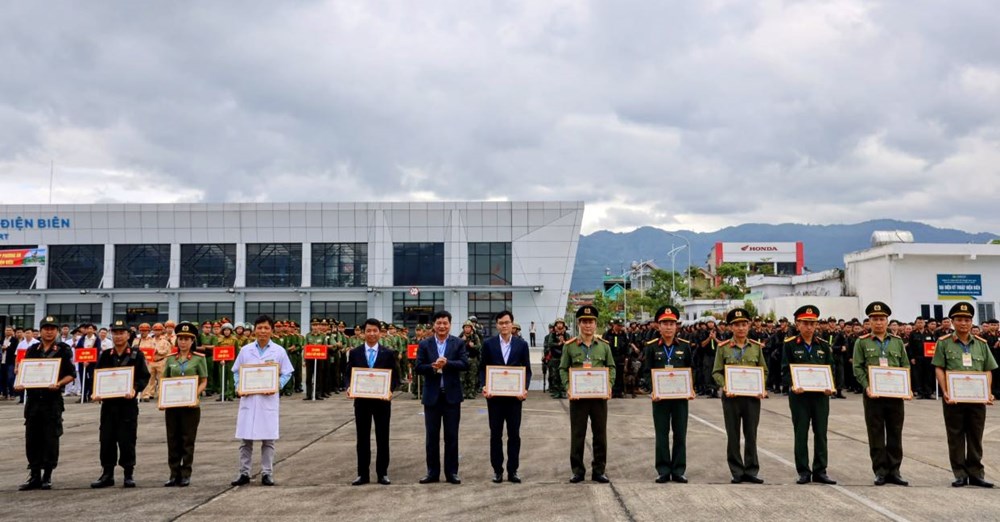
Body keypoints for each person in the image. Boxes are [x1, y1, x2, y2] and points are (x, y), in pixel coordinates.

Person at [933, 301, 998, 488]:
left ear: (971, 322)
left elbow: (988, 370)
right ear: (953, 322)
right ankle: (960, 473)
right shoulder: (944, 343)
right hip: (953, 398)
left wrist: (987, 391)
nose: (963, 323)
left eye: (967, 319)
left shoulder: (981, 344)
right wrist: (945, 391)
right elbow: (939, 368)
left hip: (977, 399)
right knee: (956, 436)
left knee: (975, 436)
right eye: (959, 319)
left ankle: (976, 473)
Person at [231, 315, 295, 487]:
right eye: (259, 328)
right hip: (249, 399)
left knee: (268, 440)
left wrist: (277, 385)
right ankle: (244, 473)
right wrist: (239, 386)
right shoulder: (245, 350)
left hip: (268, 399)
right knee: (246, 440)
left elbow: (287, 372)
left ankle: (267, 473)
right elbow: (236, 371)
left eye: (266, 328)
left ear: (271, 331)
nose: (263, 331)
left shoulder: (279, 351)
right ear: (254, 330)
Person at [852, 301, 910, 486]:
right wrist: (867, 386)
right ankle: (880, 471)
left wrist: (905, 385)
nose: (879, 322)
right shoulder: (862, 342)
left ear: (887, 321)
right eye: (875, 319)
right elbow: (857, 367)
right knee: (876, 433)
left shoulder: (897, 342)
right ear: (869, 321)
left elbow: (905, 365)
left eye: (882, 319)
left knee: (895, 432)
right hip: (873, 396)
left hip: (894, 395)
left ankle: (895, 470)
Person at [16, 316, 76, 490]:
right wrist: (20, 382)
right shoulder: (32, 349)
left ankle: (47, 475)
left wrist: (59, 383)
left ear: (57, 331)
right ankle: (34, 475)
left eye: (52, 328)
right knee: (32, 438)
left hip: (52, 401)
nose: (49, 331)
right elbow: (25, 371)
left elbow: (71, 374)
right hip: (34, 402)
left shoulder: (63, 350)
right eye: (46, 328)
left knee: (50, 437)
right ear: (40, 331)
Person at [91, 319, 152, 489]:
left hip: (127, 405)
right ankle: (107, 474)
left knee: (127, 440)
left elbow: (144, 376)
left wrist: (135, 389)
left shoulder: (136, 355)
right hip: (109, 406)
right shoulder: (105, 355)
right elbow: (98, 375)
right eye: (115, 333)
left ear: (128, 335)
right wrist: (96, 392)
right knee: (107, 439)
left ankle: (128, 474)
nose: (118, 336)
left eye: (121, 332)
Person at [782, 305, 837, 485]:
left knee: (821, 433)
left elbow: (831, 368)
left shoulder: (824, 345)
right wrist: (792, 384)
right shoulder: (789, 345)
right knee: (801, 433)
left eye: (812, 323)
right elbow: (784, 370)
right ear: (798, 324)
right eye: (805, 323)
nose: (809, 327)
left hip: (821, 396)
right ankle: (804, 471)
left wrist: (831, 386)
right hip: (799, 397)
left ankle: (820, 470)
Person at [561, 305, 615, 484]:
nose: (587, 325)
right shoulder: (569, 347)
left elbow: (611, 367)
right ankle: (577, 470)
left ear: (595, 324)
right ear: (579, 324)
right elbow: (563, 368)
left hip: (599, 398)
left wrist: (609, 384)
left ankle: (599, 470)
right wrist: (568, 386)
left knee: (600, 435)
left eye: (591, 322)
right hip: (578, 399)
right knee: (578, 434)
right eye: (584, 322)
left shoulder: (604, 347)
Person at [713, 307, 768, 484]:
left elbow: (764, 371)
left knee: (751, 434)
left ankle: (751, 470)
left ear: (749, 325)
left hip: (752, 398)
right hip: (731, 398)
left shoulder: (756, 348)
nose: (741, 328)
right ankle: (736, 471)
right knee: (733, 434)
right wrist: (725, 385)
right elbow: (716, 372)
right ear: (731, 327)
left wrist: (761, 385)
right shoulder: (723, 348)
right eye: (737, 325)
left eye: (744, 324)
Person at [415, 310, 468, 484]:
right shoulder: (425, 344)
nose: (442, 326)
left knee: (452, 436)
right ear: (434, 325)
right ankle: (432, 472)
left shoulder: (458, 343)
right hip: (432, 397)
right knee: (432, 437)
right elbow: (418, 367)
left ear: (450, 325)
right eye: (439, 323)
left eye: (445, 323)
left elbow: (464, 364)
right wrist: (432, 366)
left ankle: (452, 472)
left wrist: (447, 364)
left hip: (452, 397)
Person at [479, 310, 531, 484]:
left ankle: (513, 470)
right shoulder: (488, 344)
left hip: (514, 399)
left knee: (514, 435)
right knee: (496, 435)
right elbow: (482, 368)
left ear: (512, 324)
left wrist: (524, 388)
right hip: (495, 398)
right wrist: (484, 385)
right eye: (501, 323)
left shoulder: (521, 345)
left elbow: (527, 370)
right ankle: (497, 471)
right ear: (497, 325)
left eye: (507, 322)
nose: (504, 325)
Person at [642, 305, 693, 484]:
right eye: (665, 323)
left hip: (680, 399)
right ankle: (663, 470)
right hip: (660, 399)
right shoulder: (651, 347)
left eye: (672, 323)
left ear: (676, 326)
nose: (669, 327)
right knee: (662, 434)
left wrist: (691, 388)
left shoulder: (685, 347)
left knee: (680, 434)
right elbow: (646, 372)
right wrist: (652, 389)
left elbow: (690, 370)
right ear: (658, 326)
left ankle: (678, 470)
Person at [347, 318, 399, 486]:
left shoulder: (388, 353)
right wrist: (349, 387)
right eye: (368, 331)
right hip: (361, 401)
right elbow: (348, 374)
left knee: (383, 437)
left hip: (382, 402)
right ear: (364, 333)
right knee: (362, 438)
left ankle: (382, 473)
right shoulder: (355, 353)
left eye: (375, 331)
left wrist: (390, 390)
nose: (371, 334)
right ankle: (362, 474)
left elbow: (396, 376)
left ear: (380, 332)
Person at [161, 322, 208, 487]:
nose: (183, 342)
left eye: (187, 339)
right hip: (173, 406)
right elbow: (165, 380)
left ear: (192, 341)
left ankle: (186, 473)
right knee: (172, 440)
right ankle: (173, 473)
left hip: (191, 407)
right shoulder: (170, 360)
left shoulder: (198, 359)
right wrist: (163, 398)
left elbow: (204, 381)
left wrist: (194, 394)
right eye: (181, 338)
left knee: (187, 440)